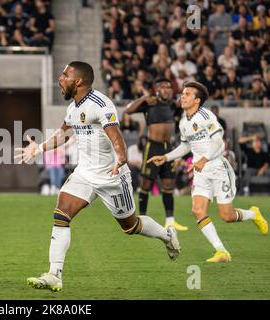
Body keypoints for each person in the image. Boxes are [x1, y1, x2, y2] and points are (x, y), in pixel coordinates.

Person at [16, 61, 181, 292]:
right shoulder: (73, 108)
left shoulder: (101, 104)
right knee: (61, 214)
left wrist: (121, 156)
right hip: (84, 173)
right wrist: (40, 148)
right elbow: (63, 134)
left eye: (65, 75)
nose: (61, 79)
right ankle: (54, 274)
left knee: (130, 226)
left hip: (111, 175)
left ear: (79, 81)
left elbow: (116, 137)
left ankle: (166, 235)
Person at [148, 81, 268, 263]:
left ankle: (253, 214)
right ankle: (221, 251)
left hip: (218, 168)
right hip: (200, 171)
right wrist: (166, 157)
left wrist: (204, 159)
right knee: (197, 210)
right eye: (182, 93)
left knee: (226, 216)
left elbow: (220, 143)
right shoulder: (183, 122)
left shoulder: (207, 116)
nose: (183, 96)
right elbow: (186, 145)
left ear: (197, 100)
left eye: (187, 94)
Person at [125, 78, 188, 231]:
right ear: (157, 89)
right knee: (146, 184)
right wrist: (143, 98)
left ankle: (170, 221)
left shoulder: (173, 106)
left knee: (168, 184)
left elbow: (186, 107)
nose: (166, 89)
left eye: (168, 87)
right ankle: (142, 218)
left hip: (169, 148)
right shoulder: (149, 103)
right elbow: (129, 110)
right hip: (152, 147)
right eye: (162, 87)